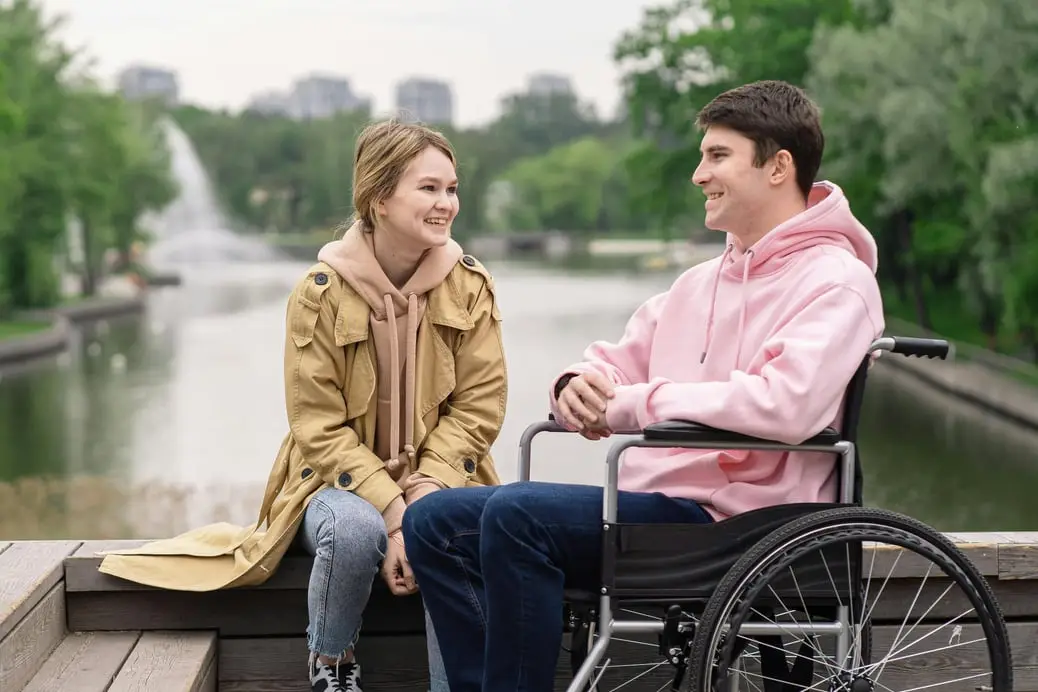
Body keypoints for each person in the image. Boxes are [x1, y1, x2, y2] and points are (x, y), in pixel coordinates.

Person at [401, 80, 885, 691]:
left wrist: (632, 405)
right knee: (435, 522)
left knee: (518, 513)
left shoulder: (837, 281)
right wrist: (577, 384)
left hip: (745, 524)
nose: (697, 174)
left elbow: (783, 404)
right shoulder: (698, 283)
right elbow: (615, 363)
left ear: (777, 167)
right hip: (660, 509)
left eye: (717, 155)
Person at [98, 119, 508, 692]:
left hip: (444, 484)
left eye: (452, 188)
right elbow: (318, 425)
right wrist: (393, 512)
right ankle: (331, 664)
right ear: (379, 197)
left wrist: (421, 502)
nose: (447, 204)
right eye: (429, 189)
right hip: (332, 485)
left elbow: (478, 411)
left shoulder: (471, 286)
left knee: (447, 537)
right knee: (355, 531)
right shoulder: (320, 292)